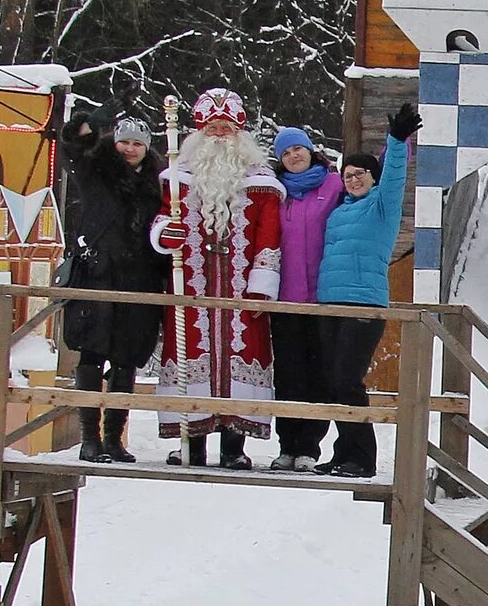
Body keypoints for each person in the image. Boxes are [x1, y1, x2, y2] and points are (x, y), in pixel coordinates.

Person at [154, 87, 283, 468]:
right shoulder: (178, 180)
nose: (220, 134)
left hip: (242, 292)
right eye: (213, 128)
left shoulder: (261, 184)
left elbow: (268, 237)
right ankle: (191, 443)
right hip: (192, 289)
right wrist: (165, 234)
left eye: (227, 128)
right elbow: (163, 219)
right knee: (190, 355)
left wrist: (262, 285)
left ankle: (233, 446)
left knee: (240, 358)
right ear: (200, 132)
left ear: (240, 132)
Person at [308, 102, 416, 478]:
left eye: (361, 174)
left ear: (373, 177)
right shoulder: (338, 211)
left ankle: (362, 457)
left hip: (362, 303)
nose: (354, 180)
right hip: (329, 302)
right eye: (348, 175)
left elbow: (395, 176)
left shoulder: (381, 206)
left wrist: (397, 140)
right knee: (332, 382)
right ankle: (342, 453)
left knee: (346, 380)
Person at [57, 106, 166, 463]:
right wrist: (85, 126)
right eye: (124, 142)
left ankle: (114, 438)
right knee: (92, 352)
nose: (130, 149)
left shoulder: (158, 183)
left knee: (126, 358)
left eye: (137, 143)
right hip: (99, 270)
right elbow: (72, 148)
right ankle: (89, 437)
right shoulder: (96, 168)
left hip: (139, 276)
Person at [267, 124, 344, 472]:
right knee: (288, 374)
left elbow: (370, 196)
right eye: (286, 152)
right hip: (285, 298)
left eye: (298, 148)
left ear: (311, 150)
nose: (294, 155)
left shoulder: (334, 184)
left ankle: (309, 446)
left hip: (323, 296)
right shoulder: (275, 191)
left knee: (319, 373)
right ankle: (287, 444)